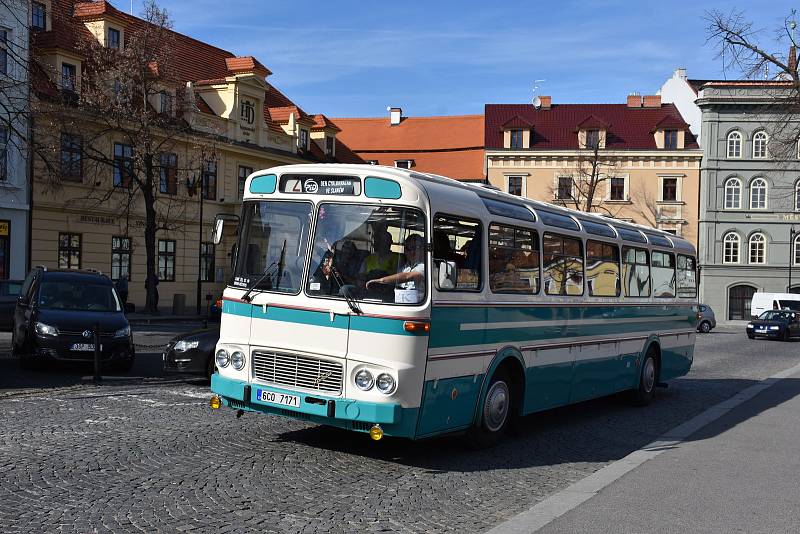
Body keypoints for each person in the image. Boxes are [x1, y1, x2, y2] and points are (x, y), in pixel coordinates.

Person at [366, 234, 425, 303]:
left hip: (417, 307)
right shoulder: (405, 268)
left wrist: (381, 280)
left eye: (415, 248)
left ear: (422, 249)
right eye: (408, 249)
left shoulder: (425, 266)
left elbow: (407, 276)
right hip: (399, 304)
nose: (412, 252)